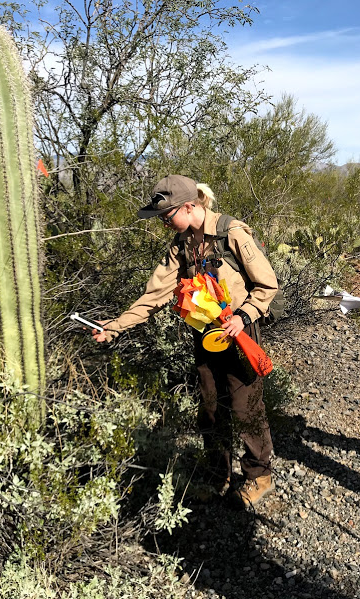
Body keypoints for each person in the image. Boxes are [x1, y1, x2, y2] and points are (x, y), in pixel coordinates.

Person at [93, 175, 279, 508]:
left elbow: (267, 285)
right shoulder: (180, 246)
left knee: (245, 407)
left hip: (239, 332)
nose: (164, 223)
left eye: (167, 216)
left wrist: (244, 316)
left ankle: (258, 476)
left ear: (189, 206)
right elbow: (154, 295)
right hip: (205, 336)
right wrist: (116, 326)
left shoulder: (231, 233)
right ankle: (216, 474)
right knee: (210, 407)